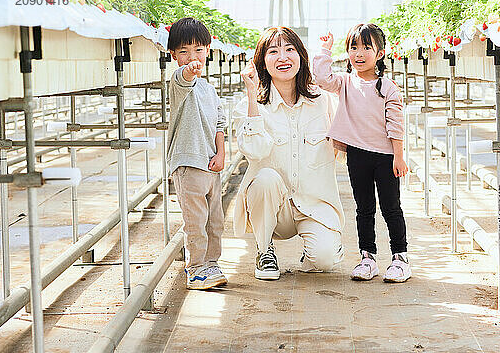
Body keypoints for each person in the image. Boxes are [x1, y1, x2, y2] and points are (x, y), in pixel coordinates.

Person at [234, 26, 345, 280]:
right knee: (265, 179)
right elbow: (255, 150)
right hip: (276, 207)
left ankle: (315, 249)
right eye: (273, 52)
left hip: (313, 205)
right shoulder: (249, 106)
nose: (282, 57)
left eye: (289, 49)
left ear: (301, 56)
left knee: (325, 260)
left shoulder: (323, 100)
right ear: (262, 62)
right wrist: (252, 93)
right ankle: (264, 250)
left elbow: (347, 136)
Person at [313, 23, 411, 283]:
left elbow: (396, 122)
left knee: (391, 208)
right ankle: (367, 258)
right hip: (357, 155)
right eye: (353, 47)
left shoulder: (386, 86)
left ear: (379, 53)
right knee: (364, 209)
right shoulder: (344, 82)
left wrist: (398, 155)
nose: (359, 53)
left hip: (386, 157)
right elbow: (321, 78)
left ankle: (400, 258)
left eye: (366, 47)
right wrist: (325, 49)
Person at [167, 17, 227, 290]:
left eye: (198, 50)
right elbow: (183, 77)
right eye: (184, 51)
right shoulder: (180, 84)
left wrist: (221, 153)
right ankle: (196, 269)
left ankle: (211, 262)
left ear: (208, 50)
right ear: (173, 55)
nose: (192, 57)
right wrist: (188, 71)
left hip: (211, 163)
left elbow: (219, 123)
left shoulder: (210, 89)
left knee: (215, 220)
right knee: (195, 221)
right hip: (188, 163)